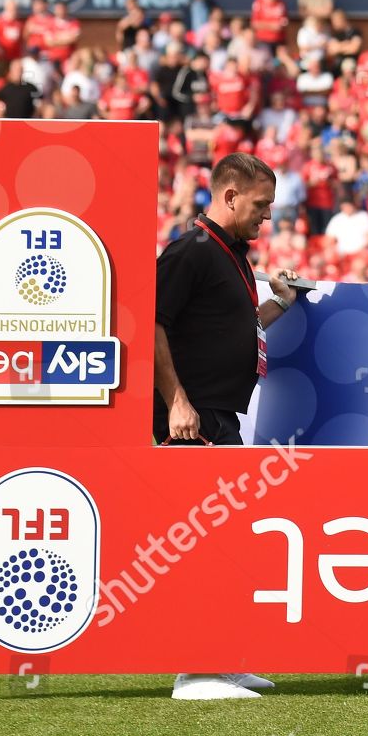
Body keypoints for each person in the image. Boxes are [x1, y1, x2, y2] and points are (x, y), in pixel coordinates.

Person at [152, 152, 302, 701]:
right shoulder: (190, 252)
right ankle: (196, 672)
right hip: (193, 419)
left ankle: (222, 659)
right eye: (260, 205)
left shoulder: (231, 256)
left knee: (226, 540)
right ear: (230, 196)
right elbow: (149, 323)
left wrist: (280, 306)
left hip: (217, 416)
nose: (267, 217)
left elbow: (232, 331)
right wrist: (177, 402)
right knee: (203, 544)